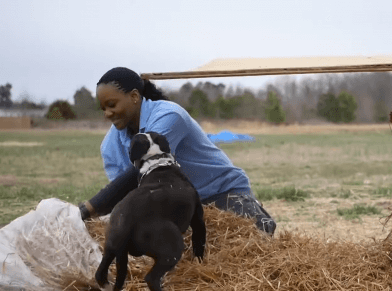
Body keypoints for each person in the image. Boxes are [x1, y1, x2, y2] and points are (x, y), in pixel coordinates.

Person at [79, 67, 276, 235]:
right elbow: (124, 193)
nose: (107, 114)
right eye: (103, 108)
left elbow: (144, 167)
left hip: (221, 194)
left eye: (112, 105)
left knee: (250, 248)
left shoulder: (169, 116)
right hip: (178, 208)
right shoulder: (109, 146)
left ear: (134, 97)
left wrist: (88, 209)